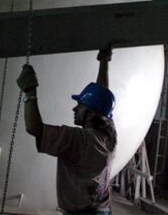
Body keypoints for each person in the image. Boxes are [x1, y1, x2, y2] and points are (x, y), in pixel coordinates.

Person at [17, 48, 117, 215]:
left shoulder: (78, 140)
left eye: (80, 105)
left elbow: (34, 128)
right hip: (102, 210)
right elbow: (102, 97)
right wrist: (103, 62)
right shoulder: (108, 133)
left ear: (91, 113)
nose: (74, 108)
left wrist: (30, 92)